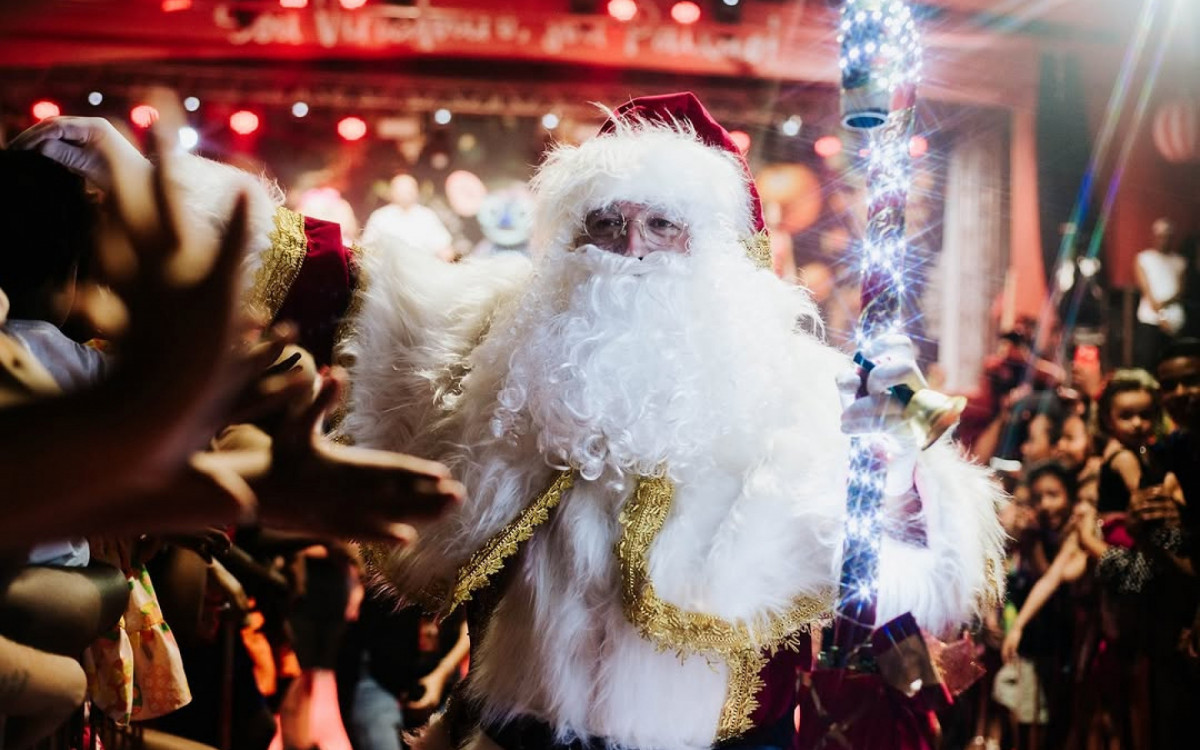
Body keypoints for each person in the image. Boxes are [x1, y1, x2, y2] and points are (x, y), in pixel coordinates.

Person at [335, 93, 1005, 750]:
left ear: (711, 247)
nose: (630, 248)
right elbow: (348, 289)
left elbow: (912, 564)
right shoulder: (506, 355)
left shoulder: (800, 387)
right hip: (523, 733)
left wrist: (899, 464)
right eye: (604, 223)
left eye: (662, 224)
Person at [361, 173, 454, 261]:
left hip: (423, 270)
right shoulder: (380, 217)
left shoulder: (427, 216)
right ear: (392, 192)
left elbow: (444, 248)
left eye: (409, 190)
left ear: (416, 192)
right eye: (400, 190)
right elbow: (367, 249)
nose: (405, 194)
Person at [1133, 217, 1186, 371]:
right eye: (1161, 235)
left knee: (1172, 367)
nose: (1164, 240)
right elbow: (1148, 293)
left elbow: (1180, 291)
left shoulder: (1180, 261)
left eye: (1168, 236)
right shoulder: (1143, 258)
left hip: (1174, 323)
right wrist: (1161, 316)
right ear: (1154, 236)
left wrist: (1165, 310)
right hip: (1150, 321)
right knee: (1148, 365)